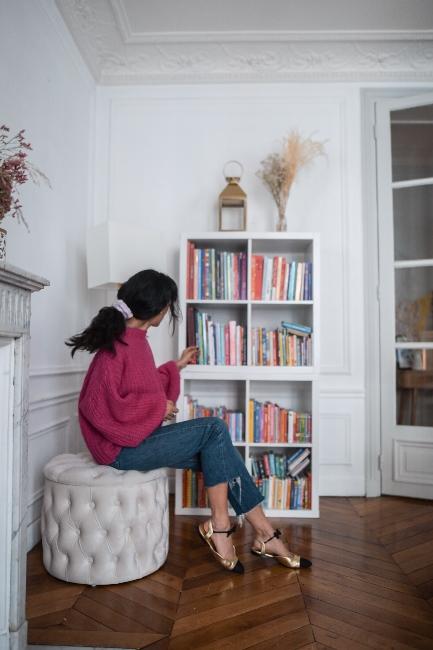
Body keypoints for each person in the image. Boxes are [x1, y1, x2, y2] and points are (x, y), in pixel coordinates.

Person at [66, 269, 312, 574]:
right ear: (156, 308)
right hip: (117, 450)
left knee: (219, 452)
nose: (169, 310)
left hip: (134, 442)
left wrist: (175, 367)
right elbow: (96, 406)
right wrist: (158, 407)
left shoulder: (136, 339)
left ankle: (263, 534)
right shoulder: (116, 346)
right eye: (168, 305)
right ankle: (226, 528)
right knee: (214, 429)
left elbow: (139, 385)